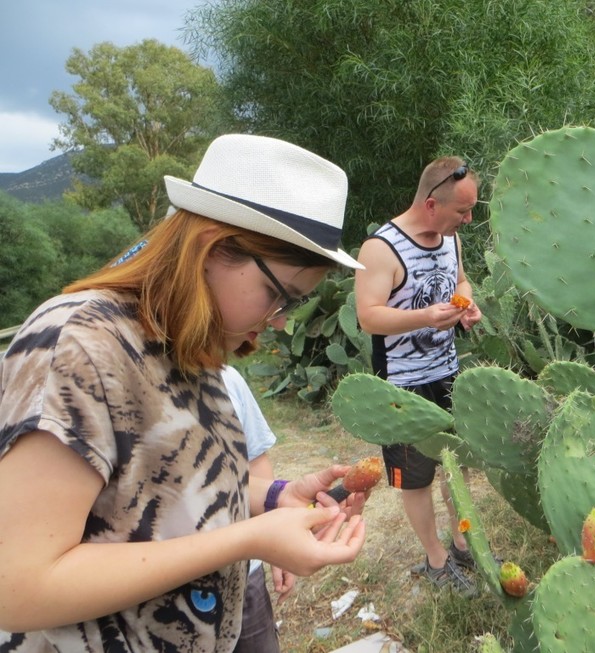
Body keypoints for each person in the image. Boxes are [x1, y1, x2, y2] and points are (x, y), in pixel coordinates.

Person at [0, 134, 368, 652]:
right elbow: (19, 587)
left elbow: (159, 490)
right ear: (213, 249)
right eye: (279, 295)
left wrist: (273, 496)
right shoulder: (78, 345)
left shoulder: (186, 341)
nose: (281, 322)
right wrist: (249, 540)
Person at [354, 156, 482, 596]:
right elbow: (368, 317)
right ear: (431, 204)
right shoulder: (380, 249)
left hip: (448, 372)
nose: (467, 220)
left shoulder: (451, 240)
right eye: (461, 212)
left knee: (455, 467)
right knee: (417, 478)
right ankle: (436, 560)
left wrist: (466, 305)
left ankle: (464, 544)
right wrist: (426, 316)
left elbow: (461, 281)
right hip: (403, 386)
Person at [221, 365, 290, 653]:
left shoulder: (228, 378)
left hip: (245, 577)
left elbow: (256, 463)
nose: (276, 325)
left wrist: (276, 538)